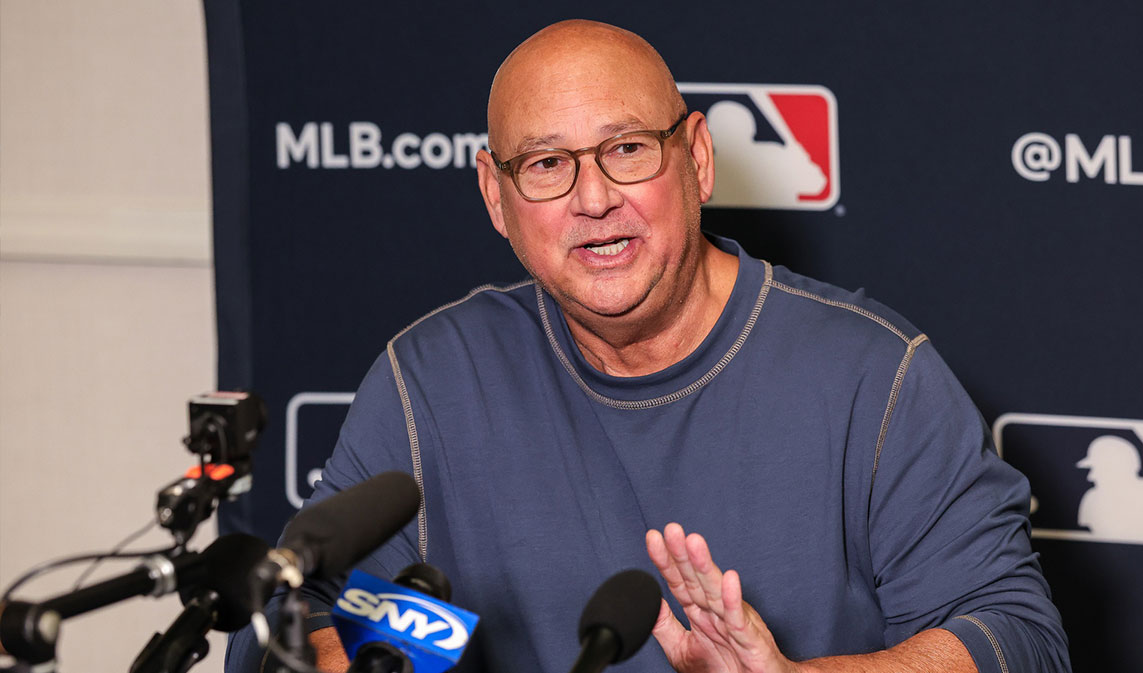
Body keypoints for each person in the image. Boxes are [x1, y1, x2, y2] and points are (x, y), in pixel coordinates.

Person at [227, 19, 1069, 673]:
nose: (593, 197)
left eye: (627, 149)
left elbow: (1017, 639)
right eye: (547, 164)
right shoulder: (432, 381)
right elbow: (292, 620)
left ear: (697, 160)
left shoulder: (875, 376)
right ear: (496, 195)